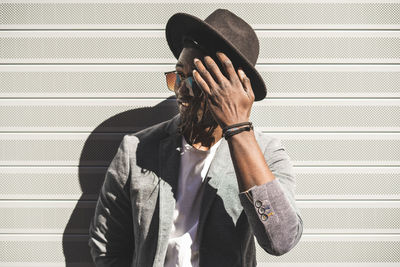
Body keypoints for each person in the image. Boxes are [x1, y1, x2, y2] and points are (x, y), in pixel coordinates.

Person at [88, 9, 303, 267]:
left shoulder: (266, 154)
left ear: (232, 89)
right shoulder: (136, 151)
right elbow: (106, 247)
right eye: (178, 75)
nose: (181, 89)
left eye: (197, 81)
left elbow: (280, 240)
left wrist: (238, 128)